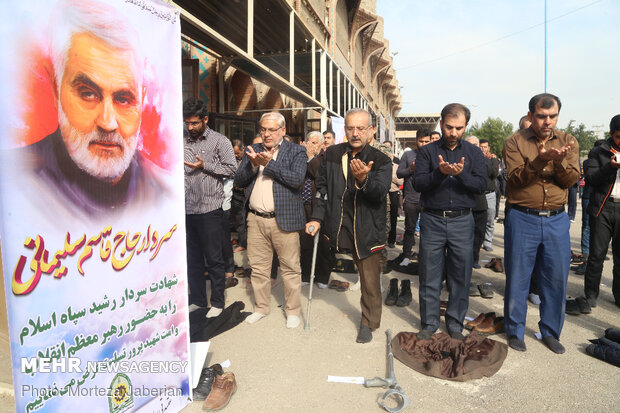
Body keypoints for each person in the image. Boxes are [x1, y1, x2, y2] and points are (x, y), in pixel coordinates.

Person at [16, 0, 166, 219]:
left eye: (124, 99)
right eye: (88, 93)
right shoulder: (14, 182)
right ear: (56, 90)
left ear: (141, 102)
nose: (108, 123)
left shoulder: (164, 194)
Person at [306, 108, 392, 343]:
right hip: (337, 223)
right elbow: (322, 190)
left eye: (360, 128)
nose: (355, 133)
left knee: (370, 281)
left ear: (371, 130)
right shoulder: (332, 154)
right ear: (345, 130)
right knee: (326, 258)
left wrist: (365, 179)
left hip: (366, 228)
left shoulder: (381, 159)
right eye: (351, 128)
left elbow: (380, 192)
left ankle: (368, 322)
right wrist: (316, 218)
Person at [503, 93, 579, 354]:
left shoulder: (568, 141)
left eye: (553, 116)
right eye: (542, 116)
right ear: (530, 115)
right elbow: (515, 180)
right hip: (523, 217)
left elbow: (570, 181)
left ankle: (550, 331)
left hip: (557, 219)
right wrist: (541, 160)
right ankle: (515, 330)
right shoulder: (515, 142)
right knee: (518, 276)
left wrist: (559, 163)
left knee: (556, 278)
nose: (548, 121)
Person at [413, 103, 487, 340]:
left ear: (466, 126)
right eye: (448, 127)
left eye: (459, 128)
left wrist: (459, 174)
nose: (453, 132)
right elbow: (418, 184)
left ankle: (455, 322)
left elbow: (480, 186)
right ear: (441, 124)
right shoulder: (427, 152)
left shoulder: (474, 153)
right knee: (429, 274)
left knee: (460, 275)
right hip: (432, 219)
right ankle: (429, 322)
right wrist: (440, 173)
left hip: (462, 221)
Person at [234, 112, 307, 328]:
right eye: (263, 129)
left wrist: (268, 164)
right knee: (258, 268)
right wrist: (253, 165)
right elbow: (239, 180)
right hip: (256, 219)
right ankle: (261, 307)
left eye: (271, 130)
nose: (266, 134)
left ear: (283, 131)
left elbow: (296, 180)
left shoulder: (296, 151)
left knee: (290, 268)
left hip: (283, 220)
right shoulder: (253, 149)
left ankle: (293, 310)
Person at [184, 98, 237, 318]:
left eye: (195, 123)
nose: (190, 127)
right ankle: (197, 300)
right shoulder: (180, 139)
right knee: (192, 259)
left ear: (205, 119)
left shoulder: (220, 141)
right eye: (187, 122)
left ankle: (217, 302)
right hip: (186, 210)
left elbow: (232, 169)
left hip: (210, 210)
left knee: (214, 259)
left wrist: (205, 166)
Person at [580, 116, 620, 310]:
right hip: (603, 207)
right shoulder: (598, 152)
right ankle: (591, 295)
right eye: (619, 136)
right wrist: (610, 168)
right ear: (612, 134)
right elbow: (592, 179)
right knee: (597, 255)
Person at [300, 132, 334, 287]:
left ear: (321, 144)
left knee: (323, 245)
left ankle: (322, 277)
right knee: (305, 242)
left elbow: (319, 175)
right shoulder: (303, 156)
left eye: (313, 143)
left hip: (320, 206)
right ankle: (306, 275)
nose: (310, 145)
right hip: (304, 204)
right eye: (308, 142)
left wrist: (310, 158)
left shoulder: (325, 158)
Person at [395, 129, 431, 263]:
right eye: (421, 141)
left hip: (429, 200)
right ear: (416, 141)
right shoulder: (408, 155)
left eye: (427, 141)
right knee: (409, 229)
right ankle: (406, 254)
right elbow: (399, 173)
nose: (424, 144)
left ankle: (426, 256)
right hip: (411, 199)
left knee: (428, 231)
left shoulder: (435, 155)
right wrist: (411, 169)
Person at [464, 136, 488, 269]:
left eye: (475, 144)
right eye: (470, 144)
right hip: (464, 204)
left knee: (479, 234)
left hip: (479, 204)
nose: (473, 147)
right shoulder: (460, 160)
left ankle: (475, 258)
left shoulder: (484, 160)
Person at [479, 139, 500, 252]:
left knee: (490, 220)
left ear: (489, 148)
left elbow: (493, 173)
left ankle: (487, 242)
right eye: (481, 147)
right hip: (478, 194)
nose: (483, 149)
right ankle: (477, 241)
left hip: (490, 194)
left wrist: (487, 160)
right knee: (477, 220)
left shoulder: (494, 160)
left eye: (485, 147)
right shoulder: (476, 158)